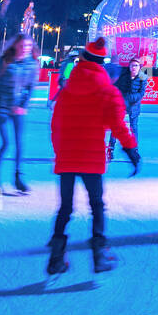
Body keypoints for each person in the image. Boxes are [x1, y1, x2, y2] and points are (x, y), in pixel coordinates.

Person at [47, 38, 141, 275]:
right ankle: (99, 255)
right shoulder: (108, 91)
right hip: (91, 158)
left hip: (67, 157)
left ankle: (56, 256)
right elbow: (119, 125)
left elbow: (55, 125)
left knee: (65, 207)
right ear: (102, 62)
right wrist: (131, 151)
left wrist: (60, 152)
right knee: (96, 205)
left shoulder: (66, 90)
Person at [0, 33, 39, 194]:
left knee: (19, 143)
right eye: (22, 46)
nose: (25, 49)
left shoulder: (32, 64)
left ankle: (18, 178)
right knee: (5, 143)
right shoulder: (5, 61)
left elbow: (31, 87)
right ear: (15, 46)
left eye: (28, 46)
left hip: (18, 108)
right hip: (2, 107)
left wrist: (23, 104)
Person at [114, 58, 148, 140]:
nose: (134, 67)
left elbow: (141, 93)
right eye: (132, 65)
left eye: (136, 66)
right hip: (122, 104)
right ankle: (111, 147)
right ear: (129, 67)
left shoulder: (143, 77)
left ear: (139, 67)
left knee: (133, 127)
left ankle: (134, 148)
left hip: (134, 105)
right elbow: (118, 88)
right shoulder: (123, 76)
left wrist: (130, 98)